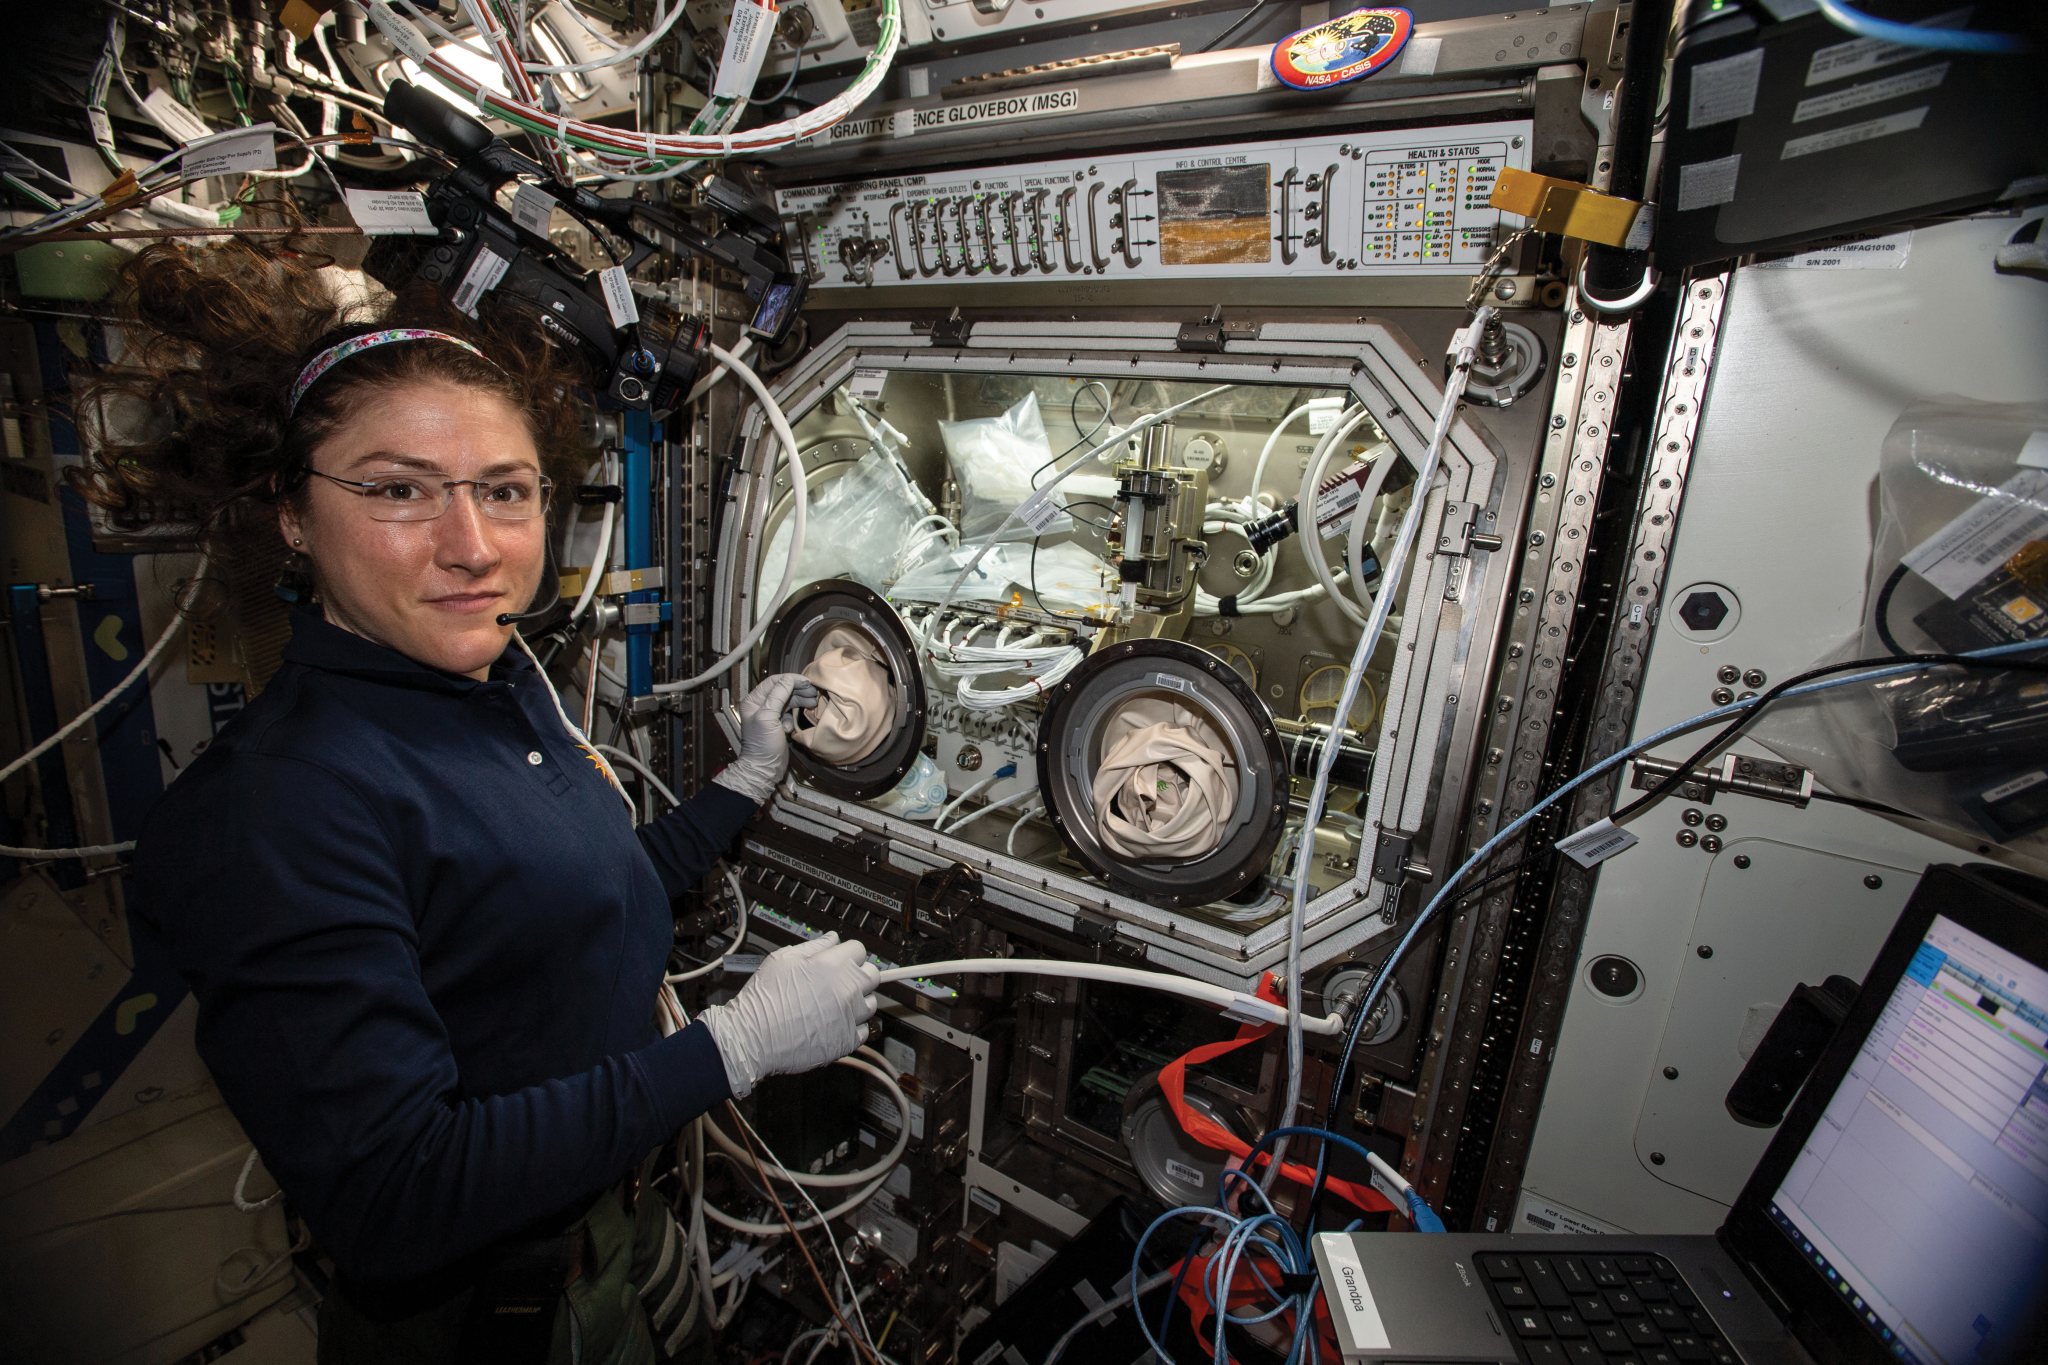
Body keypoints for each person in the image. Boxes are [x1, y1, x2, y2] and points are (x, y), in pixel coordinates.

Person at [78, 237, 875, 1364]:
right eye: (398, 489)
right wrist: (728, 1052)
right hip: (490, 1309)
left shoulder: (494, 686)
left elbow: (581, 897)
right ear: (291, 519)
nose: (470, 547)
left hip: (614, 1228)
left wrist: (740, 785)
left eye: (503, 491)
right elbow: (397, 1196)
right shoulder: (272, 815)